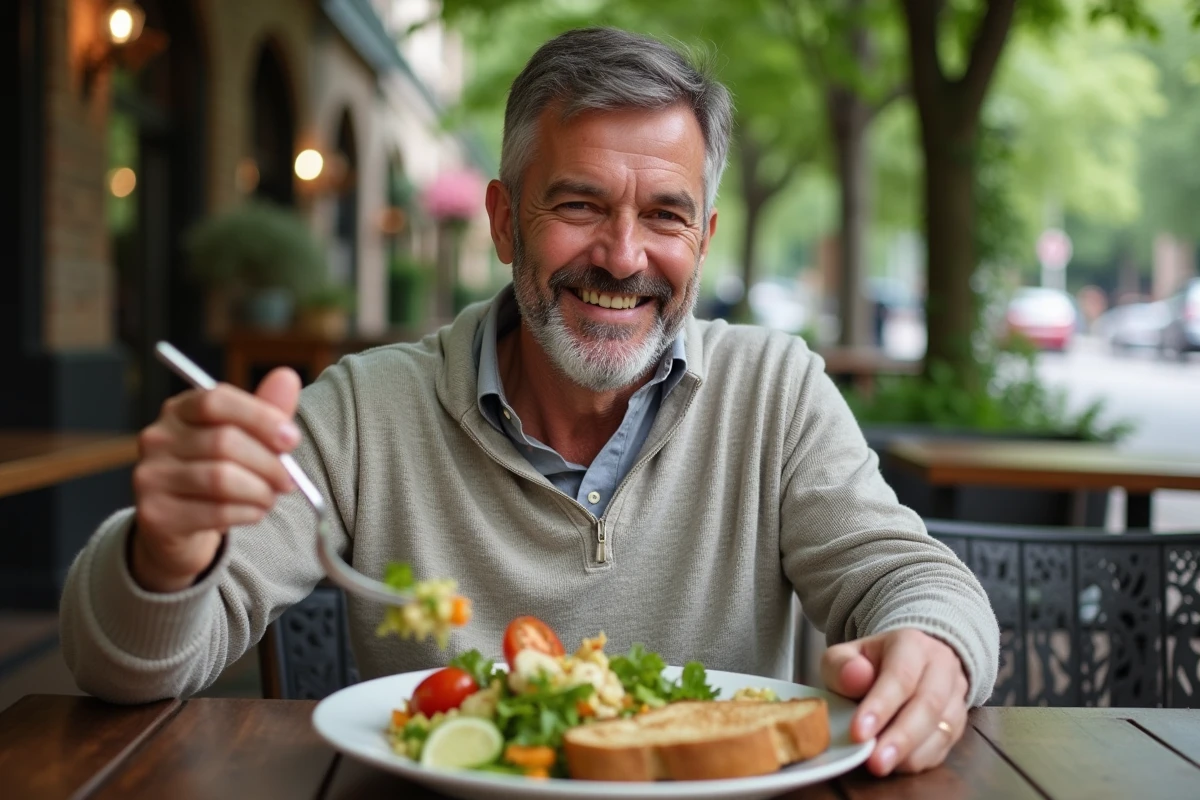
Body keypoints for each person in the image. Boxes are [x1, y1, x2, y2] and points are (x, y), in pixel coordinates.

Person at [60, 27, 999, 778]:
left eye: (665, 215)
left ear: (705, 237)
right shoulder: (363, 411)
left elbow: (909, 575)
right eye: (580, 205)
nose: (624, 257)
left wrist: (934, 649)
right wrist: (170, 551)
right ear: (506, 217)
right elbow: (122, 669)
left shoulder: (776, 391)